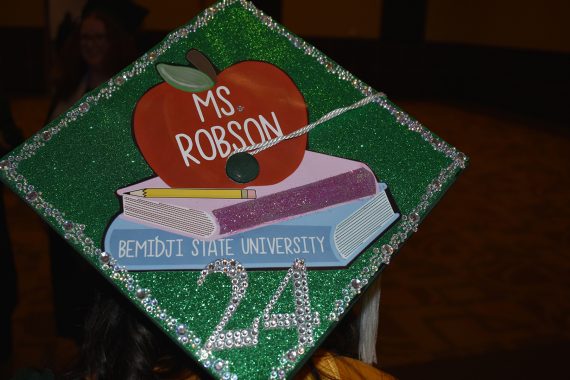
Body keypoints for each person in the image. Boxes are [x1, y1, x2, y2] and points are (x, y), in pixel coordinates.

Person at [46, 0, 146, 342]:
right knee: (73, 305)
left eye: (99, 38)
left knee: (108, 311)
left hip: (110, 216)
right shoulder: (69, 88)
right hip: (66, 215)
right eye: (85, 38)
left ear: (114, 40)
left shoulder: (128, 91)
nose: (91, 45)